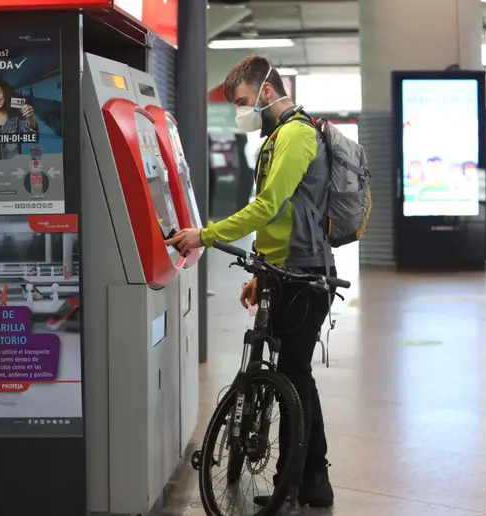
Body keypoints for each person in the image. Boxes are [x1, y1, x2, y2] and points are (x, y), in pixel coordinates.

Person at [165, 56, 335, 512]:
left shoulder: (298, 136)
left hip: (305, 274)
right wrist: (260, 271)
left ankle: (295, 482)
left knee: (294, 378)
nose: (242, 111)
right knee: (295, 376)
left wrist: (207, 234)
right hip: (283, 272)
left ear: (265, 91)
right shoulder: (275, 138)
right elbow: (273, 218)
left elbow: (269, 207)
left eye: (243, 101)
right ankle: (313, 482)